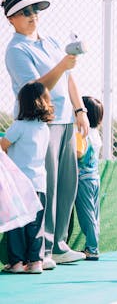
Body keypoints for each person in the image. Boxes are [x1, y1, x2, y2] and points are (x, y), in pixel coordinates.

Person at [2, 0, 89, 269]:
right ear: (11, 19)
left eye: (36, 10)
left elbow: (69, 78)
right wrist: (62, 64)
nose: (33, 15)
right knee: (46, 186)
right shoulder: (16, 50)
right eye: (25, 12)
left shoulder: (50, 42)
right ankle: (45, 249)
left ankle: (60, 244)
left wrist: (80, 111)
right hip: (41, 124)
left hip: (65, 122)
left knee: (66, 185)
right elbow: (34, 90)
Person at [0, 82, 54, 274]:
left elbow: (3, 144)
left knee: (16, 224)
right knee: (36, 225)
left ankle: (16, 263)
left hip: (18, 184)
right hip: (39, 183)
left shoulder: (19, 126)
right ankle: (35, 262)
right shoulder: (44, 128)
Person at [75, 96, 104, 261]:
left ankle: (92, 249)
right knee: (94, 214)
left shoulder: (82, 133)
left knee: (86, 215)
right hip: (94, 178)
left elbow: (79, 154)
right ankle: (92, 246)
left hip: (83, 179)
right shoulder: (96, 134)